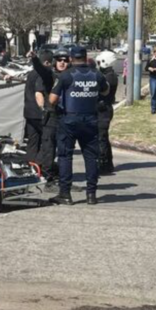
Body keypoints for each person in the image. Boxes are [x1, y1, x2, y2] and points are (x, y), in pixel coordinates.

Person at [49, 46, 110, 206]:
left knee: (65, 156)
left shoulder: (66, 75)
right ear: (85, 57)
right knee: (91, 157)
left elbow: (53, 99)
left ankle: (65, 194)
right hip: (90, 120)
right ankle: (91, 194)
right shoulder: (96, 74)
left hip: (69, 120)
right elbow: (105, 91)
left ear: (70, 58)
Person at [30, 48, 71, 188]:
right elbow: (42, 70)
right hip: (52, 116)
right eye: (59, 60)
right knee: (49, 148)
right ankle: (48, 179)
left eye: (65, 60)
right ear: (54, 62)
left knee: (65, 150)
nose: (62, 63)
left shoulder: (72, 75)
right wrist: (35, 59)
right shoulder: (50, 75)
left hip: (67, 116)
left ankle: (64, 178)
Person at [23, 50, 52, 174]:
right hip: (40, 113)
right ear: (47, 62)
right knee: (46, 143)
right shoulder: (44, 74)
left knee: (32, 142)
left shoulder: (31, 74)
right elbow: (39, 93)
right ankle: (39, 167)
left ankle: (30, 167)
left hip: (29, 112)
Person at [95, 51, 119, 175]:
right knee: (102, 137)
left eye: (99, 62)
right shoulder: (105, 74)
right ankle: (107, 163)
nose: (98, 64)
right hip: (102, 109)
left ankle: (104, 163)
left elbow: (101, 89)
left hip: (104, 109)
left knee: (101, 137)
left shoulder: (109, 77)